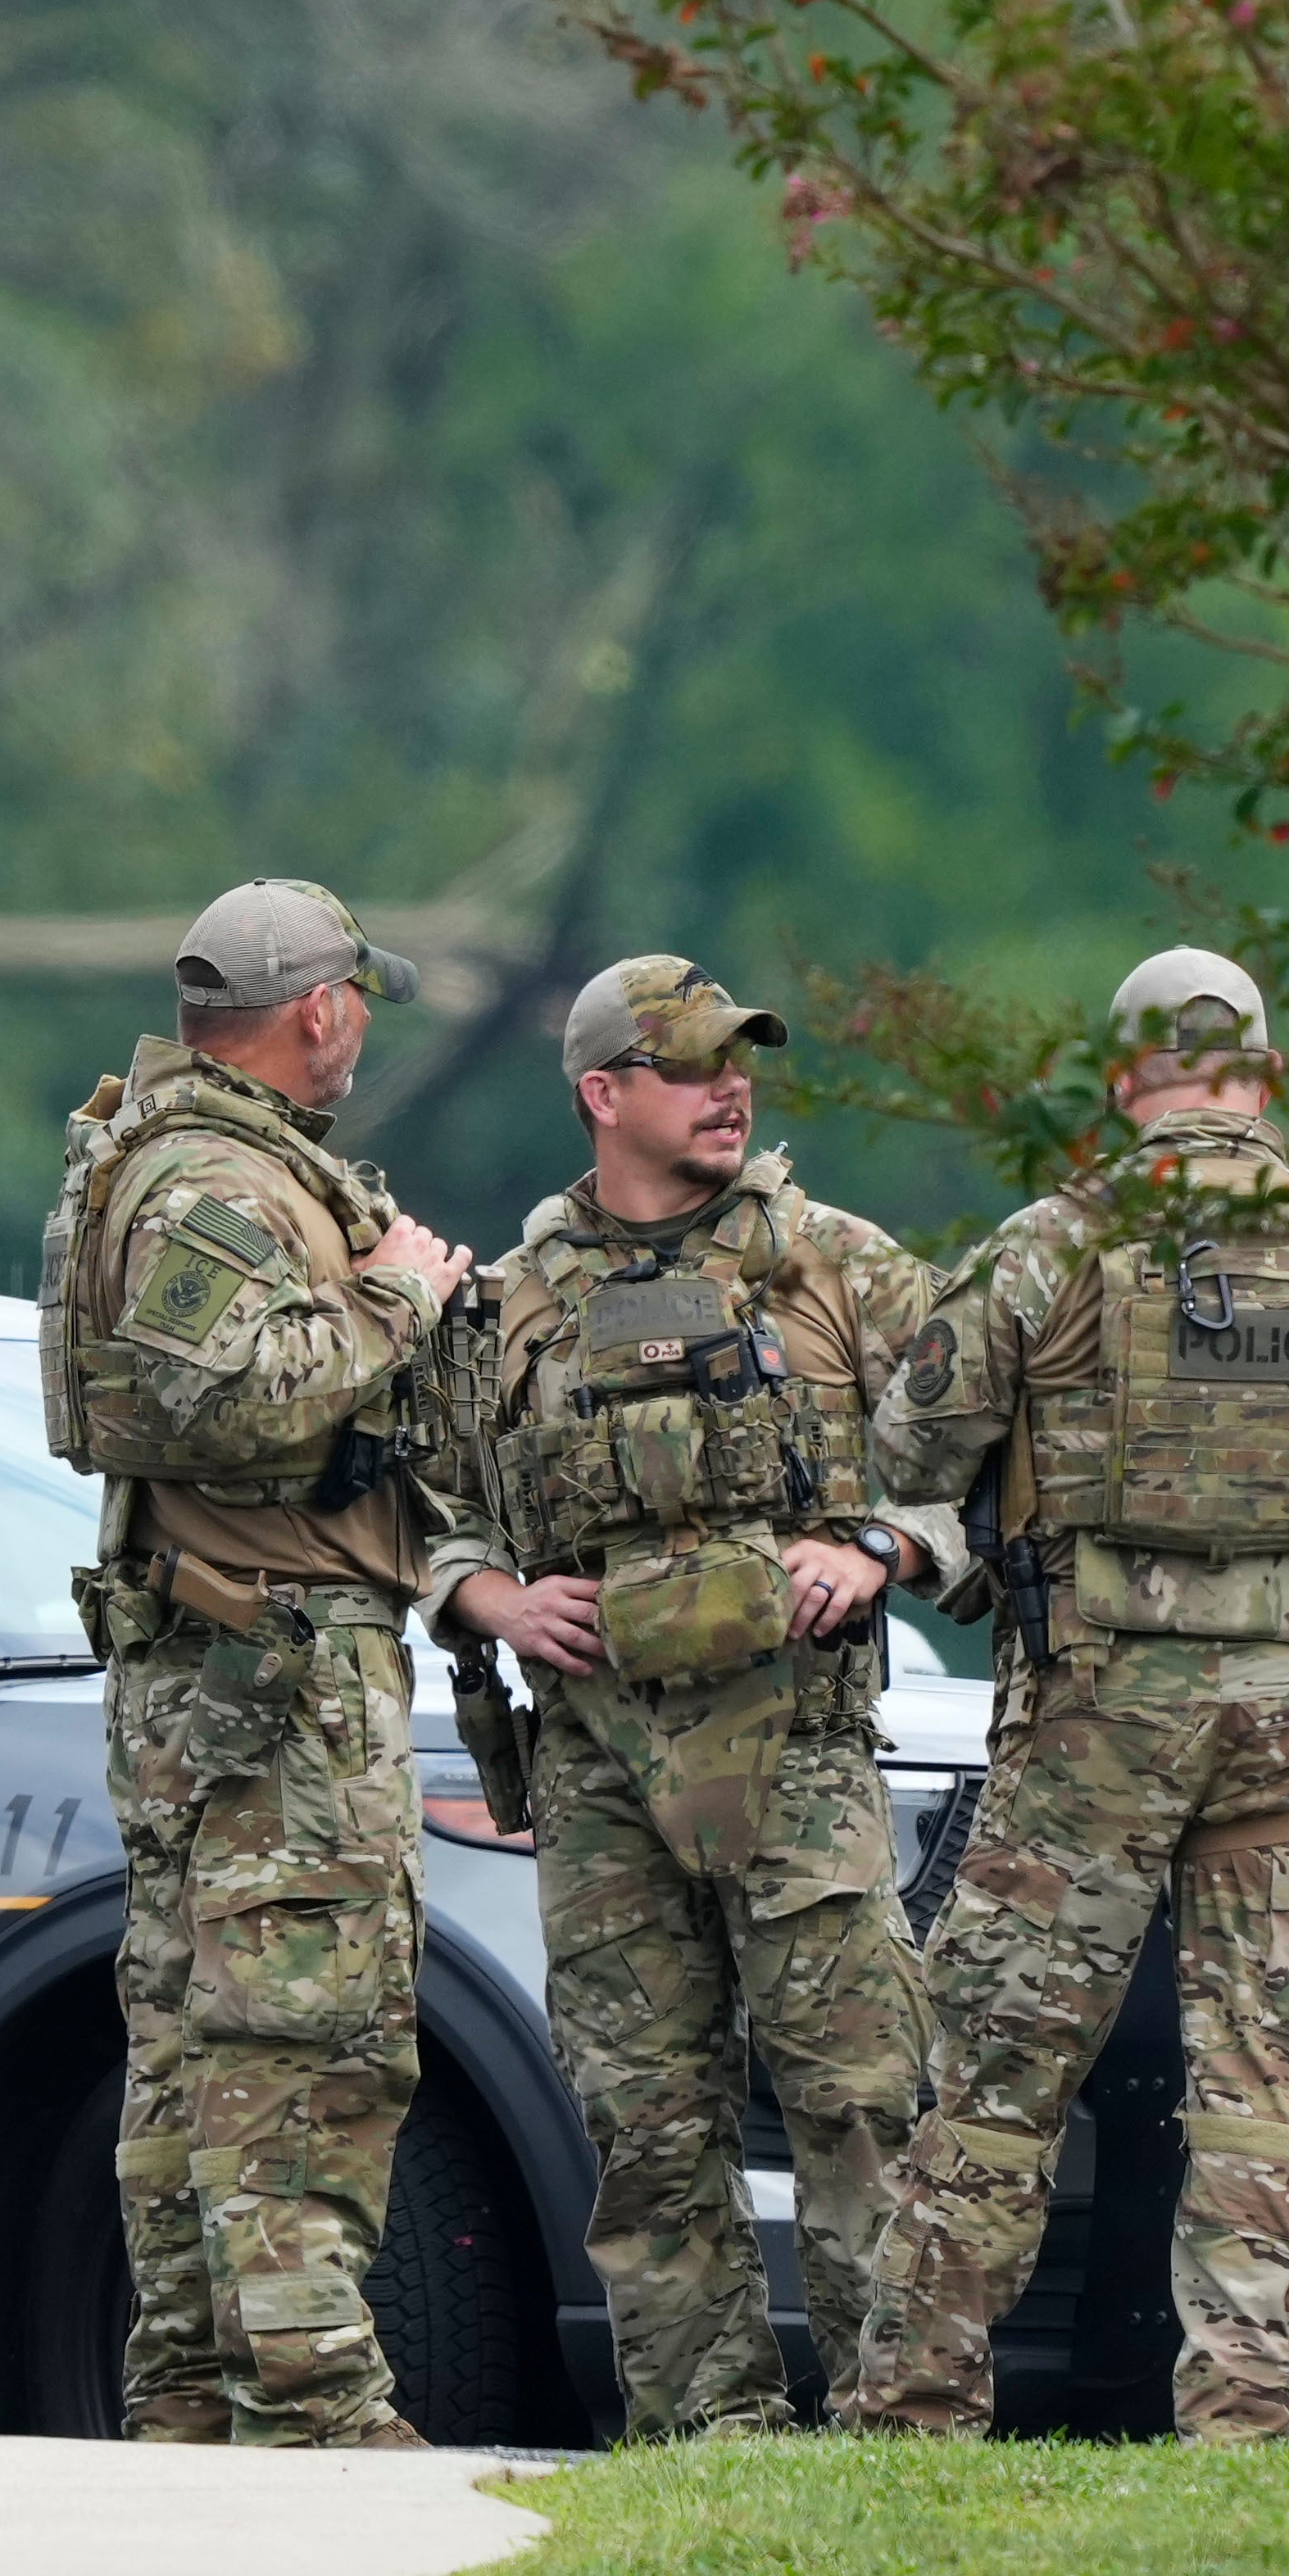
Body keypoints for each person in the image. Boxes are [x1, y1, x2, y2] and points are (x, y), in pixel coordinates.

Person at [838, 948, 1289, 2442]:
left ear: (1127, 1078)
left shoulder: (1052, 1248)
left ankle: (915, 2404)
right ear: (1264, 1073)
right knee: (1260, 2067)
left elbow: (913, 1443)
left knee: (1002, 2063)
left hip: (1095, 1715)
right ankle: (1245, 2410)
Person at [418, 956, 938, 2438]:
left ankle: (901, 2425)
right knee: (642, 2120)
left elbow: (986, 1441)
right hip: (595, 1772)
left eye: (742, 1061)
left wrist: (884, 1541)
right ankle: (711, 2432)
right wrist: (487, 1595)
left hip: (801, 1759)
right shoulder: (515, 1305)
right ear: (602, 1096)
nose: (734, 1088)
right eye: (697, 1064)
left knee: (858, 2102)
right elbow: (435, 1499)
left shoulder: (839, 1268)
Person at [36, 879, 474, 2445]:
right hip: (273, 1678)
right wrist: (400, 1297)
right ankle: (309, 2405)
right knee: (309, 2037)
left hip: (225, 1662)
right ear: (322, 1011)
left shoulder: (170, 1164)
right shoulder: (212, 1184)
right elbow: (248, 1402)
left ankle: (190, 2399)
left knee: (196, 2036)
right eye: (361, 1002)